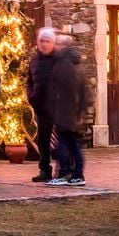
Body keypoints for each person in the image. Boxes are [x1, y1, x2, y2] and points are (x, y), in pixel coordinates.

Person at [46, 33, 88, 186]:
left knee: (64, 143)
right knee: (73, 144)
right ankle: (76, 174)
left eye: (57, 43)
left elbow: (61, 89)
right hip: (73, 112)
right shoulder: (76, 64)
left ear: (63, 46)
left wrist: (57, 106)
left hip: (65, 111)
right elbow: (84, 91)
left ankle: (65, 174)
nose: (54, 46)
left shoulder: (64, 63)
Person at [25, 27, 58, 183]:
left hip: (57, 107)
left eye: (47, 41)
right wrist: (32, 97)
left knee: (60, 141)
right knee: (43, 140)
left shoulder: (58, 60)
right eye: (42, 41)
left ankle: (64, 170)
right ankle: (45, 170)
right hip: (41, 108)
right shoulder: (35, 60)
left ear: (52, 43)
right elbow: (29, 81)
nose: (44, 44)